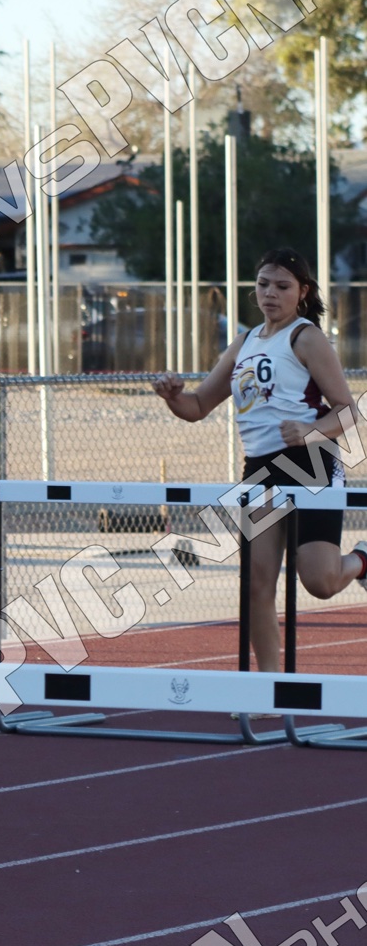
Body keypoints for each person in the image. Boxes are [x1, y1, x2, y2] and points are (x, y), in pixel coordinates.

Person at [153, 248, 366, 677]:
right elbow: (198, 406)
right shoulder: (244, 342)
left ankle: (362, 558)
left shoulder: (306, 338)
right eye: (264, 284)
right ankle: (268, 685)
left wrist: (309, 432)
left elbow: (349, 412)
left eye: (282, 286)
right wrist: (174, 396)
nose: (270, 293)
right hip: (261, 470)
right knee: (255, 585)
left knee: (320, 583)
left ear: (302, 292)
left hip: (310, 463)